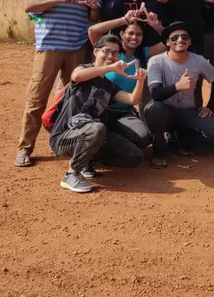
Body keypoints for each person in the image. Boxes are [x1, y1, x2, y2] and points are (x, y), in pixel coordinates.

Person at [14, 0, 102, 168]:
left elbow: (95, 17)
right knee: (37, 97)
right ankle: (25, 148)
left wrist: (93, 8)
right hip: (49, 46)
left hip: (77, 47)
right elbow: (29, 5)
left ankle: (70, 147)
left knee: (74, 100)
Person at [48, 35, 147, 193]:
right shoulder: (83, 69)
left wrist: (140, 80)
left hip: (92, 134)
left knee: (134, 156)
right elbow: (76, 76)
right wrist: (110, 68)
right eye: (106, 51)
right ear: (95, 51)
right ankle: (71, 174)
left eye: (115, 53)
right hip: (64, 138)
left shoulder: (109, 85)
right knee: (97, 128)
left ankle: (88, 159)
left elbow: (132, 99)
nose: (111, 56)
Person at [85, 10, 167, 169]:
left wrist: (156, 26)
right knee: (98, 128)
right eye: (130, 33)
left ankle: (107, 143)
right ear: (122, 33)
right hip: (99, 110)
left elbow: (169, 41)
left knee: (143, 138)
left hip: (123, 112)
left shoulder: (143, 54)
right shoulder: (111, 53)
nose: (134, 37)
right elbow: (93, 31)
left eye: (139, 34)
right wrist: (123, 19)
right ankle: (91, 149)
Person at [144, 22, 214, 165]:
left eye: (184, 37)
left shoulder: (198, 60)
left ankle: (180, 137)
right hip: (165, 111)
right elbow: (155, 94)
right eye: (174, 37)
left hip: (188, 112)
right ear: (167, 42)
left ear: (189, 41)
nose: (180, 40)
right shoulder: (156, 61)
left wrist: (210, 106)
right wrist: (178, 86)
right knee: (154, 109)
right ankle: (160, 151)